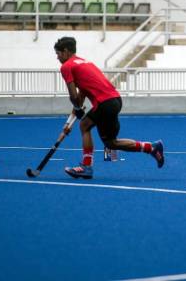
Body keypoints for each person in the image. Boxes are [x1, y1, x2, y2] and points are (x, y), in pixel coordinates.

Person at [55, 37, 164, 179]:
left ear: (66, 51)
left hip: (105, 103)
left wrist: (77, 109)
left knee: (84, 125)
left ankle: (86, 167)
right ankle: (151, 147)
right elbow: (81, 97)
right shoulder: (85, 63)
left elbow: (74, 97)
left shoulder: (66, 67)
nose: (57, 57)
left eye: (58, 54)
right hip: (115, 101)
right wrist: (68, 123)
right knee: (111, 143)